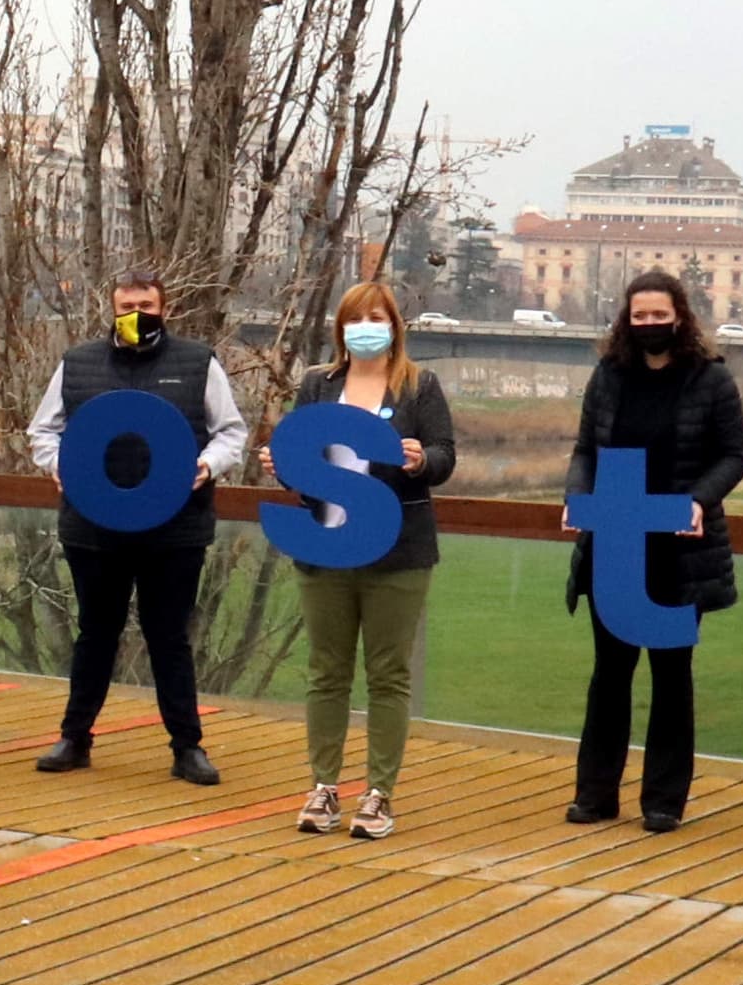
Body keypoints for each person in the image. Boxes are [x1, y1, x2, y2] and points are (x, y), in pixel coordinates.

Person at [27, 271, 249, 786]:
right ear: (110, 307)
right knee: (95, 635)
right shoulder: (76, 363)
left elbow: (231, 431)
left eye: (145, 304)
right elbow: (43, 429)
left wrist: (206, 465)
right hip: (93, 526)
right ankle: (75, 738)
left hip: (175, 528)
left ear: (163, 308)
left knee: (169, 637)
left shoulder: (199, 363)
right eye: (126, 305)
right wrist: (60, 465)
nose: (136, 314)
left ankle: (187, 746)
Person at [566, 269, 743, 833]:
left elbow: (734, 456)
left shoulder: (712, 381)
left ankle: (664, 801)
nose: (649, 325)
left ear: (680, 316)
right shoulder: (608, 375)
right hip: (614, 544)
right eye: (639, 316)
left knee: (672, 677)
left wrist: (699, 500)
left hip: (679, 550)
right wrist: (577, 497)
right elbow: (583, 451)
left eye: (658, 316)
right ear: (627, 319)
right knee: (609, 673)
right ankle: (595, 795)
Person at [283, 280, 458, 839]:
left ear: (393, 328)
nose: (366, 327)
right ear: (341, 327)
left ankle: (379, 794)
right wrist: (280, 464)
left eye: (377, 318)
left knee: (387, 674)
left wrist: (419, 460)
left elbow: (445, 455)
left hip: (397, 550)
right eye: (356, 318)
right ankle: (324, 787)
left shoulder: (419, 386)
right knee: (326, 672)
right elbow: (298, 460)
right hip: (326, 547)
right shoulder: (316, 386)